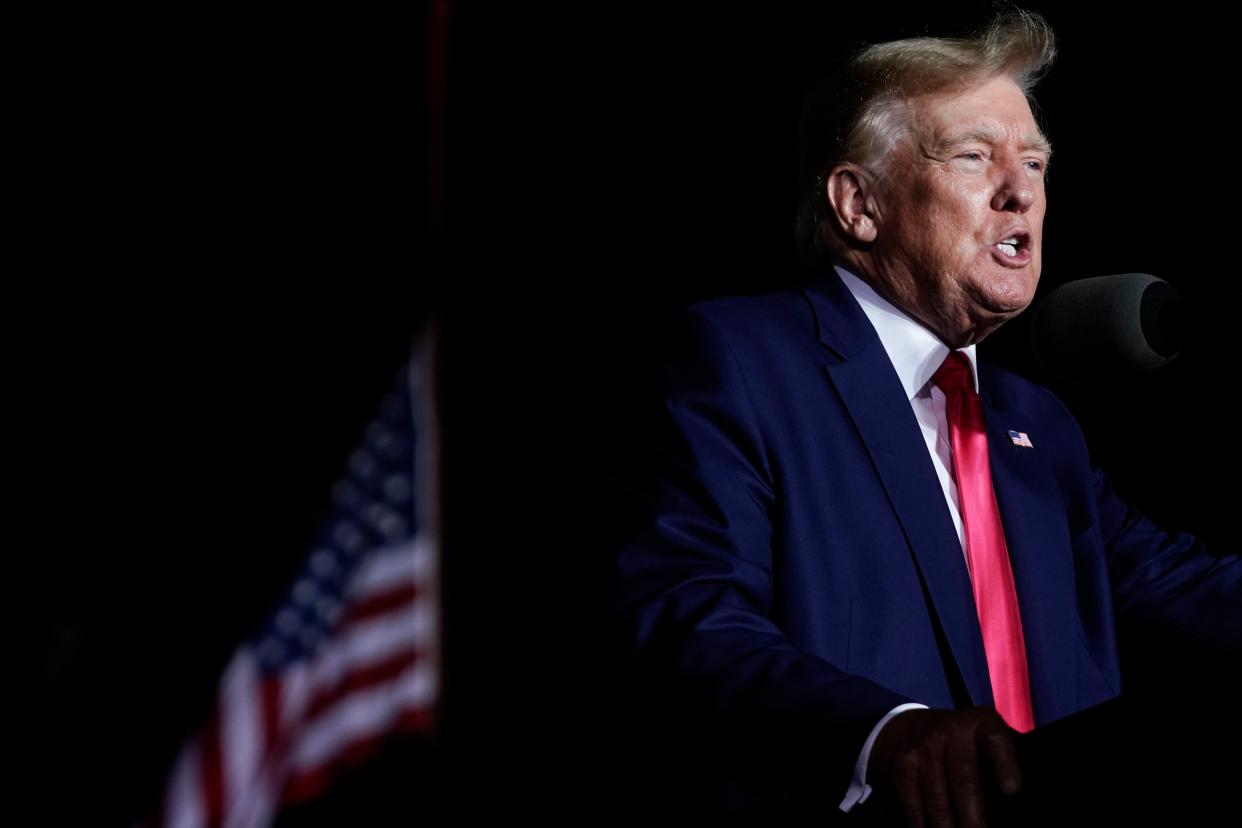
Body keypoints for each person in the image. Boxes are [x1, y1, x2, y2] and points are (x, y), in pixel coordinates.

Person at [610, 9, 1240, 826]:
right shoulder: (742, 360)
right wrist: (881, 732)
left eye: (1037, 162)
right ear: (858, 203)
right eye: (975, 156)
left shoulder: (1037, 424)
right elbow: (686, 609)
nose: (1021, 191)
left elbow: (1175, 587)